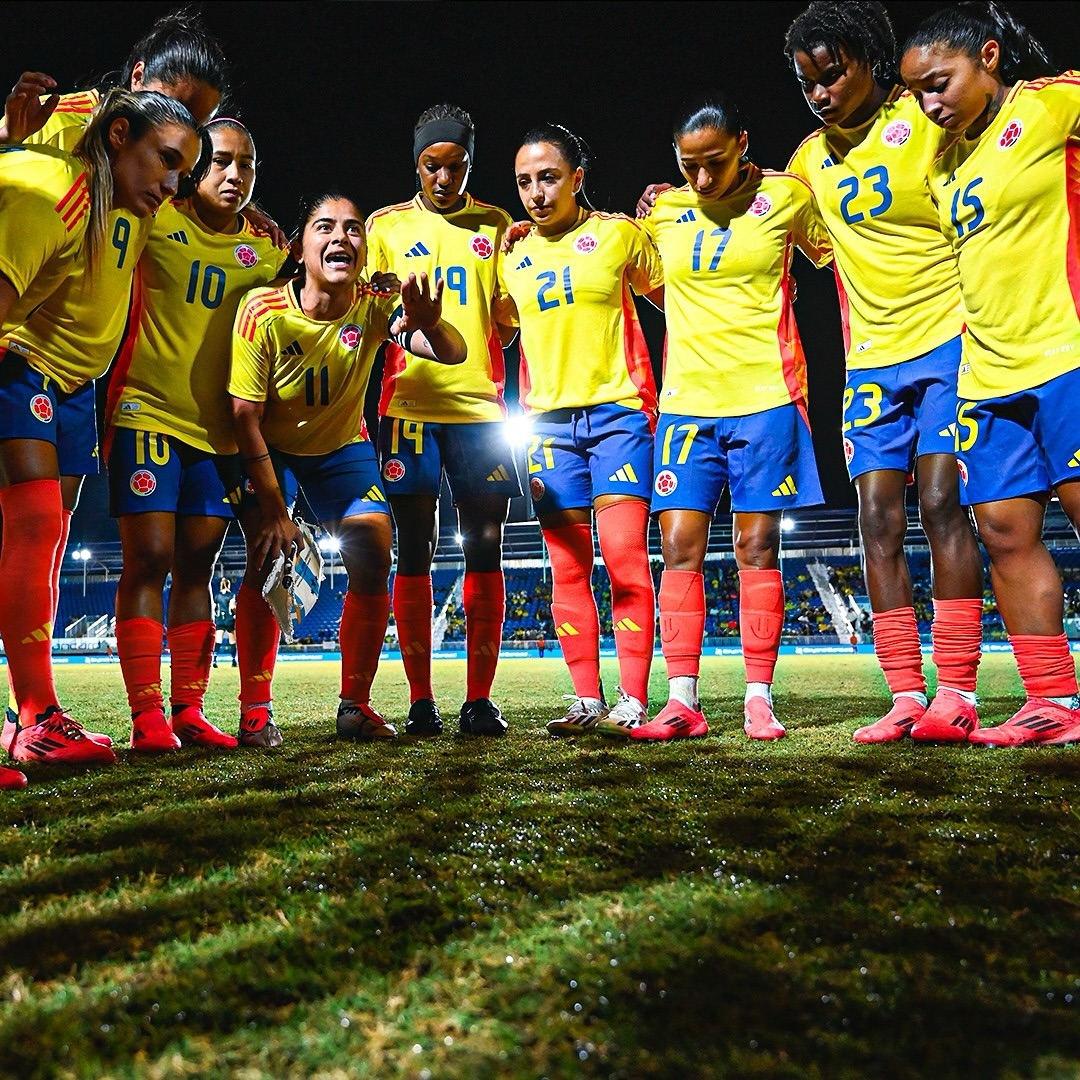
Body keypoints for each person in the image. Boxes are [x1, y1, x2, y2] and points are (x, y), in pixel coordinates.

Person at [779, 1, 987, 744]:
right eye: (808, 83)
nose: (821, 93)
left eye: (832, 74)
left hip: (949, 343)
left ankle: (957, 690)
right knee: (876, 520)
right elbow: (764, 211)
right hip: (869, 363)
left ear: (870, 58)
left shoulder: (929, 120)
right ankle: (904, 692)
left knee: (939, 504)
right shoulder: (808, 161)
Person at [0, 89, 202, 779]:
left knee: (45, 542)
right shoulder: (58, 188)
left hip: (75, 383)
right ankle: (32, 715)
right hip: (24, 359)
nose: (175, 184)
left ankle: (33, 717)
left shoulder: (120, 200)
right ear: (118, 133)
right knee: (29, 531)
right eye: (167, 160)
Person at [900, 2, 1080, 746]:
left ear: (991, 57)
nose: (929, 104)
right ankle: (1052, 702)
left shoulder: (1050, 105)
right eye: (916, 93)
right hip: (988, 370)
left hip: (1068, 354)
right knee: (1005, 531)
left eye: (939, 83)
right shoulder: (941, 162)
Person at [229, 191, 467, 747]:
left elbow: (450, 353)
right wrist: (274, 511)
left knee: (374, 546)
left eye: (354, 228)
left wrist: (433, 322)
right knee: (268, 557)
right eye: (325, 227)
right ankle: (255, 712)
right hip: (272, 449)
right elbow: (244, 417)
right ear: (299, 246)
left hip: (340, 449)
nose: (341, 237)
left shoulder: (374, 306)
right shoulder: (263, 310)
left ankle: (354, 707)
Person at [630, 95, 831, 743]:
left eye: (714, 162)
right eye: (689, 166)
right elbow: (648, 282)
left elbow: (843, 251)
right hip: (687, 404)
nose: (702, 179)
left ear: (743, 143)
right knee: (678, 547)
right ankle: (682, 700)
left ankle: (758, 697)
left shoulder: (788, 197)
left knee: (755, 546)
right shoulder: (663, 209)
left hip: (767, 400)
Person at [105, 117, 286, 753]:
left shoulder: (267, 251)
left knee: (196, 566)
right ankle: (145, 714)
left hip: (217, 438)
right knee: (149, 555)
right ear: (194, 165)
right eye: (221, 162)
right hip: (146, 413)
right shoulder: (157, 220)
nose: (234, 175)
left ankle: (188, 708)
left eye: (247, 166)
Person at [498, 124, 662, 738]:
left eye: (548, 177)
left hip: (620, 415)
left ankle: (632, 698)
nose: (536, 193)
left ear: (577, 178)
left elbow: (677, 293)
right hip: (546, 427)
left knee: (624, 561)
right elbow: (496, 323)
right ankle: (586, 699)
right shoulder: (512, 256)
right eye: (524, 182)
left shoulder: (620, 236)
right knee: (567, 567)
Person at [365, 104, 520, 737]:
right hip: (407, 407)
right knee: (415, 548)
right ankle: (421, 701)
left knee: (486, 543)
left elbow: (506, 323)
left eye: (456, 166)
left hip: (480, 409)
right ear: (417, 163)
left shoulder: (498, 225)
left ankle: (478, 700)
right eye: (432, 166)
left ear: (469, 165)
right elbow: (371, 317)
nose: (444, 178)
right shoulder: (385, 226)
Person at [214, 578, 237, 667]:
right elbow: (232, 607)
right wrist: (235, 613)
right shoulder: (231, 595)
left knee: (218, 640)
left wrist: (217, 616)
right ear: (228, 585)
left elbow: (214, 608)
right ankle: (233, 660)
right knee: (232, 641)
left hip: (220, 619)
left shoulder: (217, 596)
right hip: (229, 618)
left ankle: (215, 660)